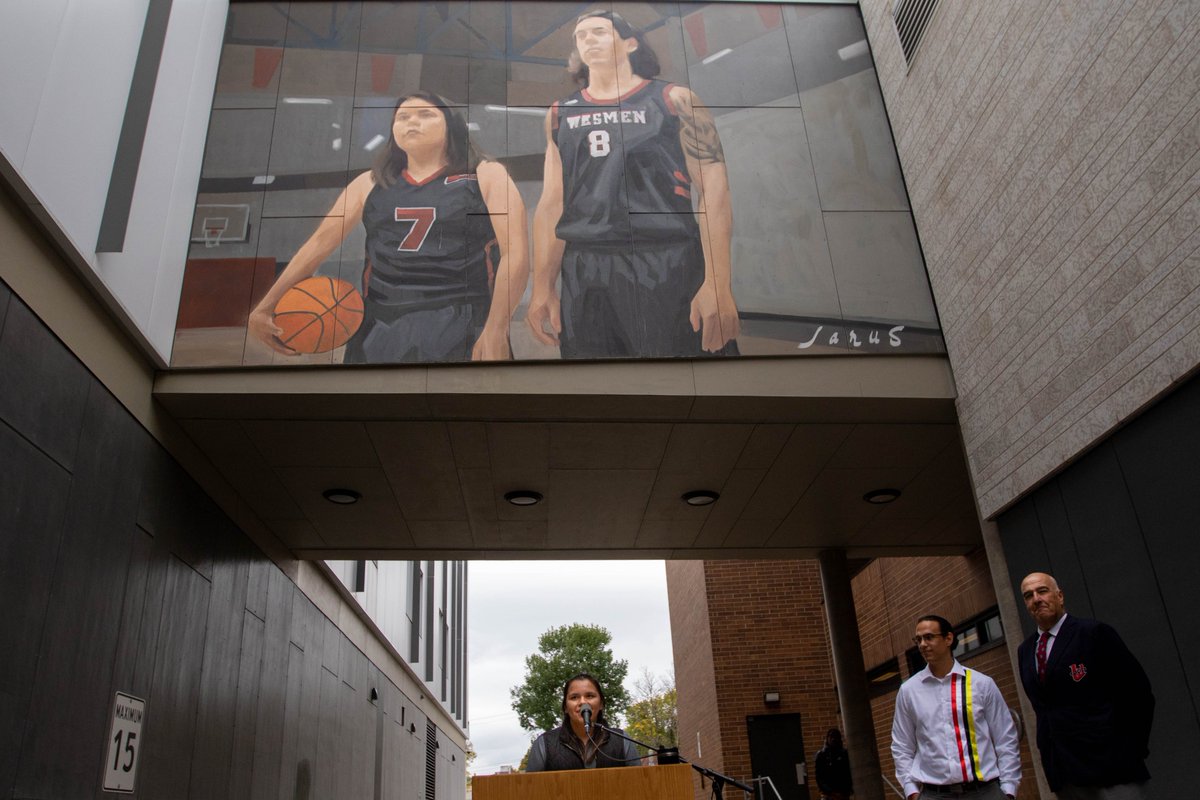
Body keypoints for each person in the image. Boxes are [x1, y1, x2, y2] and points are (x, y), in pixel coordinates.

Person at [249, 91, 528, 363]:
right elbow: (318, 245)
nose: (411, 122)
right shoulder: (368, 184)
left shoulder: (486, 175)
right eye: (402, 117)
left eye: (425, 114)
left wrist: (496, 328)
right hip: (380, 322)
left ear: (451, 125)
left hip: (461, 316)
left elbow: (515, 254)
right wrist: (265, 306)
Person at [527, 9, 739, 359]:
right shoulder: (559, 113)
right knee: (596, 390)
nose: (588, 40)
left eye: (598, 31)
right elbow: (552, 203)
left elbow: (714, 191)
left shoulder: (675, 100)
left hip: (664, 260)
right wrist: (542, 286)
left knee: (683, 378)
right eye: (581, 36)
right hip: (585, 268)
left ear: (629, 43)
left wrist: (717, 282)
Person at [1017, 572, 1154, 799]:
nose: (1036, 599)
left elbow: (1138, 695)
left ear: (1059, 596)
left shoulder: (1094, 633)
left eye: (1042, 591)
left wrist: (1131, 751)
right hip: (1064, 774)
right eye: (1028, 595)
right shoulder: (1025, 651)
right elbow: (1044, 710)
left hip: (1112, 769)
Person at [891, 615, 1020, 800]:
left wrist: (1008, 789)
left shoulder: (981, 684)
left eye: (929, 637)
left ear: (948, 639)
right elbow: (902, 745)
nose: (922, 644)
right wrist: (911, 791)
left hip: (985, 791)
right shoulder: (909, 691)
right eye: (918, 639)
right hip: (933, 793)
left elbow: (1005, 738)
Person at [525, 673, 641, 772]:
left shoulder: (622, 740)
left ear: (601, 704)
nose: (583, 702)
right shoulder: (544, 744)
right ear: (565, 707)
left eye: (590, 696)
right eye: (574, 697)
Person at [815, 728, 853, 800]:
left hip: (843, 793)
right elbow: (819, 777)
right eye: (831, 737)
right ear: (827, 738)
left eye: (835, 737)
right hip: (829, 794)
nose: (833, 739)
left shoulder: (844, 754)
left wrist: (845, 792)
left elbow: (848, 774)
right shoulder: (821, 755)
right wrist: (829, 792)